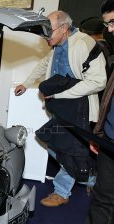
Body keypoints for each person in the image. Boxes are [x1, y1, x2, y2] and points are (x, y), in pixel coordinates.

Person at [14, 11, 107, 207]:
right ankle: (88, 177)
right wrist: (26, 83)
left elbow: (99, 81)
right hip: (62, 108)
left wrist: (59, 95)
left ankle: (62, 191)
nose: (45, 35)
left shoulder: (83, 44)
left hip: (79, 109)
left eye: (49, 30)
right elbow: (43, 65)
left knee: (69, 149)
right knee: (49, 139)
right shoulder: (57, 46)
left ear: (64, 28)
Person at [59, 0, 114, 224]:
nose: (110, 30)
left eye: (113, 22)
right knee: (104, 196)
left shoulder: (84, 44)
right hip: (110, 140)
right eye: (107, 24)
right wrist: (100, 134)